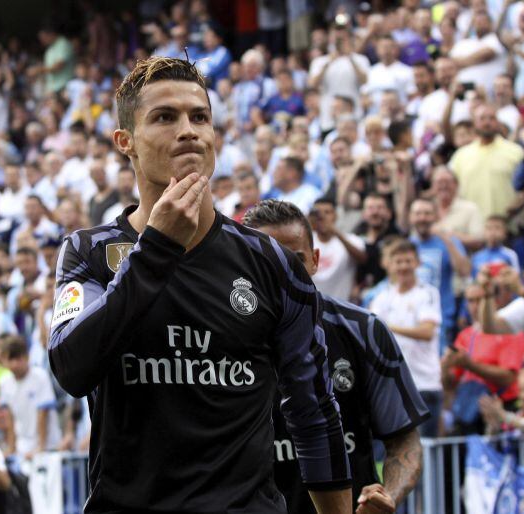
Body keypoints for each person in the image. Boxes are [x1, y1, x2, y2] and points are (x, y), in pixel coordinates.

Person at [48, 56, 352, 513]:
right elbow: (72, 367)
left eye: (200, 117)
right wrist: (156, 252)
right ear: (124, 141)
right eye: (165, 117)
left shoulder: (271, 263)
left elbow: (313, 408)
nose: (188, 130)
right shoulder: (89, 252)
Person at [243, 199, 427, 514]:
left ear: (315, 260)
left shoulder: (363, 330)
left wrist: (388, 495)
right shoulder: (222, 337)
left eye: (295, 260)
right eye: (267, 261)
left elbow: (404, 441)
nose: (282, 273)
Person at [370, 240, 443, 437]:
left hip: (424, 384)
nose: (403, 266)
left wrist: (388, 327)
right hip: (392, 386)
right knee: (394, 449)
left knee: (424, 449)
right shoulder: (382, 298)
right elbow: (371, 334)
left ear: (417, 263)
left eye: (408, 261)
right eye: (398, 261)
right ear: (389, 265)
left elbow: (427, 332)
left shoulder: (427, 293)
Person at [440, 284, 524, 435]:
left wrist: (470, 365)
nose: (475, 307)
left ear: (492, 300)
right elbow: (450, 383)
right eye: (470, 301)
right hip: (469, 411)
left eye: (479, 300)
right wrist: (445, 367)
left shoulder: (510, 332)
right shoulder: (465, 335)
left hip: (502, 408)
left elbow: (508, 377)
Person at [409, 199, 470, 349]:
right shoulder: (407, 244)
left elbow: (464, 271)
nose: (422, 217)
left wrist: (445, 238)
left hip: (441, 317)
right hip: (412, 317)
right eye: (418, 213)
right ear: (411, 217)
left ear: (436, 217)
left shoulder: (449, 241)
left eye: (427, 213)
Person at [448, 103, 524, 218]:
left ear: (498, 123)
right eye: (482, 118)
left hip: (508, 222)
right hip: (472, 226)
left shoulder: (515, 152)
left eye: (491, 118)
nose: (487, 123)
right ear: (474, 123)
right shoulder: (461, 155)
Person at [0, 337, 58, 459]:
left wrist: (41, 447)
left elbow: (43, 414)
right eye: (11, 359)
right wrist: (12, 447)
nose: (15, 364)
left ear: (26, 357)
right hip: (22, 449)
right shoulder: (4, 383)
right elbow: (9, 418)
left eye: (18, 358)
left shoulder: (40, 377)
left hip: (48, 448)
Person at [309, 199, 367, 302]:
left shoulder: (352, 239)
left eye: (327, 212)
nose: (322, 217)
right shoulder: (306, 241)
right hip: (312, 305)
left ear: (336, 216)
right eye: (317, 213)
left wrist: (335, 232)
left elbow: (363, 259)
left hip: (340, 307)